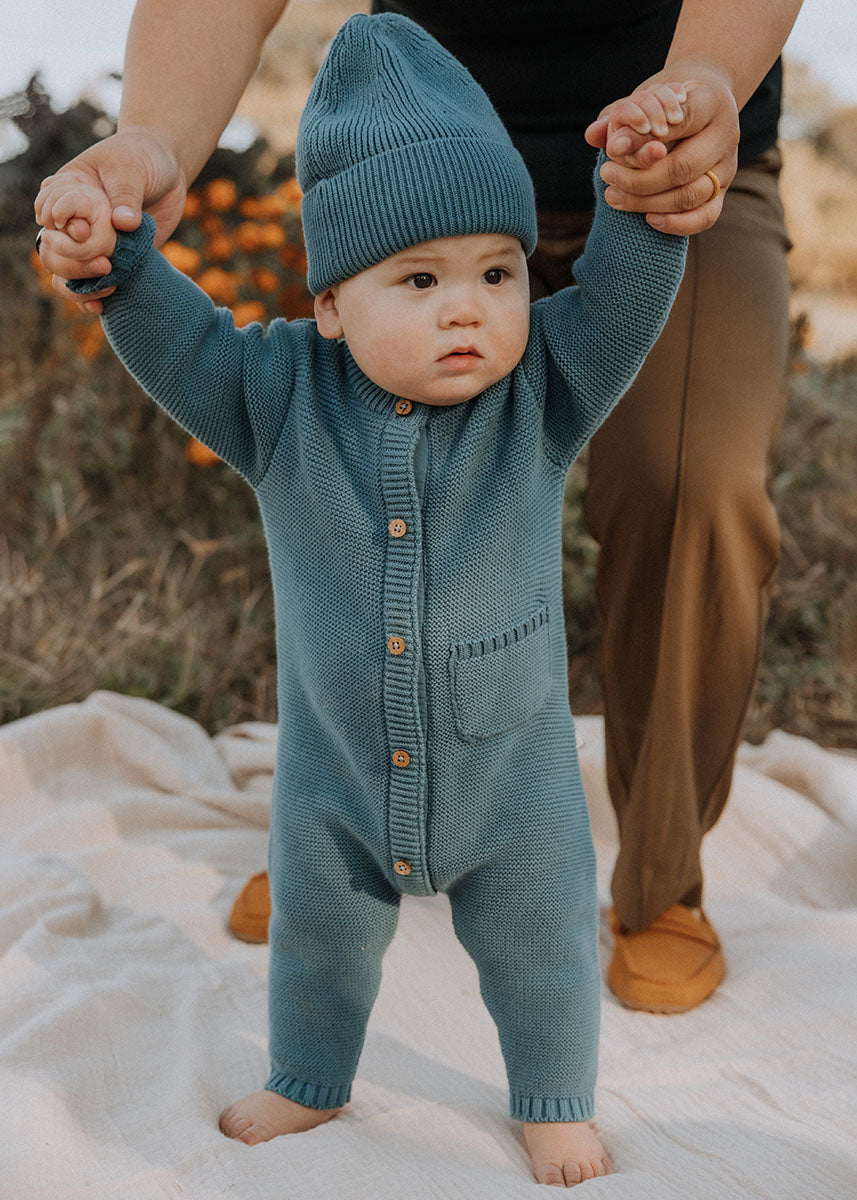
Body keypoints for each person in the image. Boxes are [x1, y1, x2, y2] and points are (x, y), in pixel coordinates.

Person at [35, 0, 803, 1015]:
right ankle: (346, 842)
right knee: (343, 466)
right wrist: (148, 146)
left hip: (679, 161)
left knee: (691, 482)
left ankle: (659, 883)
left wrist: (700, 84)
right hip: (412, 182)